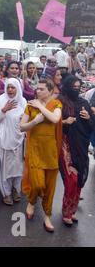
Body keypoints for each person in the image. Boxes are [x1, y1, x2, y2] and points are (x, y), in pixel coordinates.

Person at [21, 79, 62, 233]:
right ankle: (32, 201)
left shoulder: (56, 104)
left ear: (50, 91)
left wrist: (40, 107)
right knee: (38, 184)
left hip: (50, 152)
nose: (38, 91)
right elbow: (21, 127)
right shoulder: (30, 105)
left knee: (50, 186)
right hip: (35, 150)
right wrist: (34, 122)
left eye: (42, 89)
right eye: (37, 88)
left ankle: (47, 216)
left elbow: (55, 119)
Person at [58, 76, 95, 226]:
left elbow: (92, 127)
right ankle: (66, 211)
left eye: (78, 87)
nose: (76, 90)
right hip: (65, 144)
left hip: (81, 146)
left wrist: (88, 118)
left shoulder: (84, 102)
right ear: (67, 87)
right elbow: (52, 123)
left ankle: (71, 211)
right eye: (73, 87)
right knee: (71, 179)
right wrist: (65, 122)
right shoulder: (59, 102)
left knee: (78, 180)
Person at [0, 78, 26, 205]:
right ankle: (6, 193)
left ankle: (16, 190)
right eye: (8, 87)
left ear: (18, 88)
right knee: (5, 168)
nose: (10, 90)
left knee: (18, 167)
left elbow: (26, 118)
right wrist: (4, 110)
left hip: (18, 138)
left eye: (13, 87)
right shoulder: (1, 100)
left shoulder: (22, 101)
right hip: (4, 138)